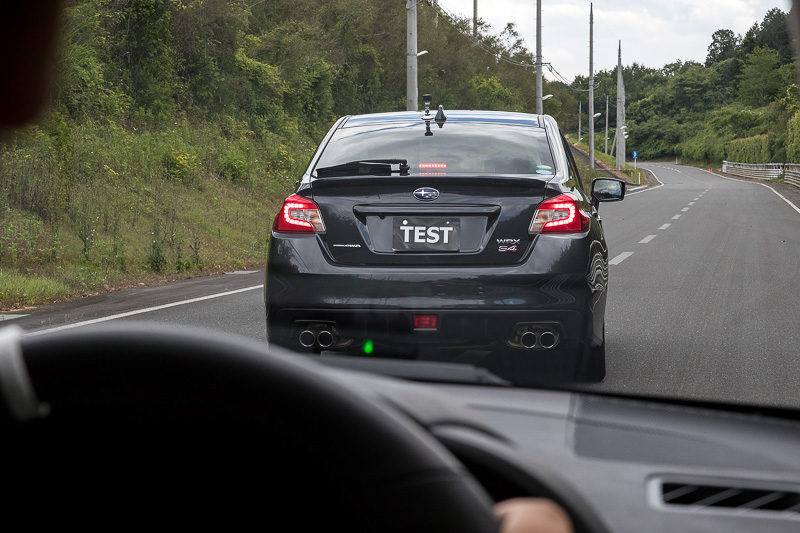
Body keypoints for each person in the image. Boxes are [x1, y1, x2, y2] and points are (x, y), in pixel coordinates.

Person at [0, 3, 573, 532]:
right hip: (512, 296)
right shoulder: (547, 190)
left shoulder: (324, 192)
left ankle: (323, 339)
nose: (425, 199)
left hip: (340, 288)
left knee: (308, 337)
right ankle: (540, 339)